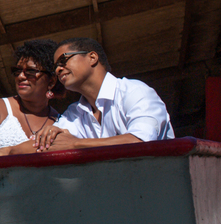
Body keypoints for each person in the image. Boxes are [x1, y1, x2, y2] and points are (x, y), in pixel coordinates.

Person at [33, 37, 174, 152]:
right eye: (55, 67)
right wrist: (47, 137)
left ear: (92, 57)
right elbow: (43, 146)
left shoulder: (134, 92)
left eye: (63, 60)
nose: (58, 70)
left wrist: (76, 144)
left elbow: (141, 141)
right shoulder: (74, 113)